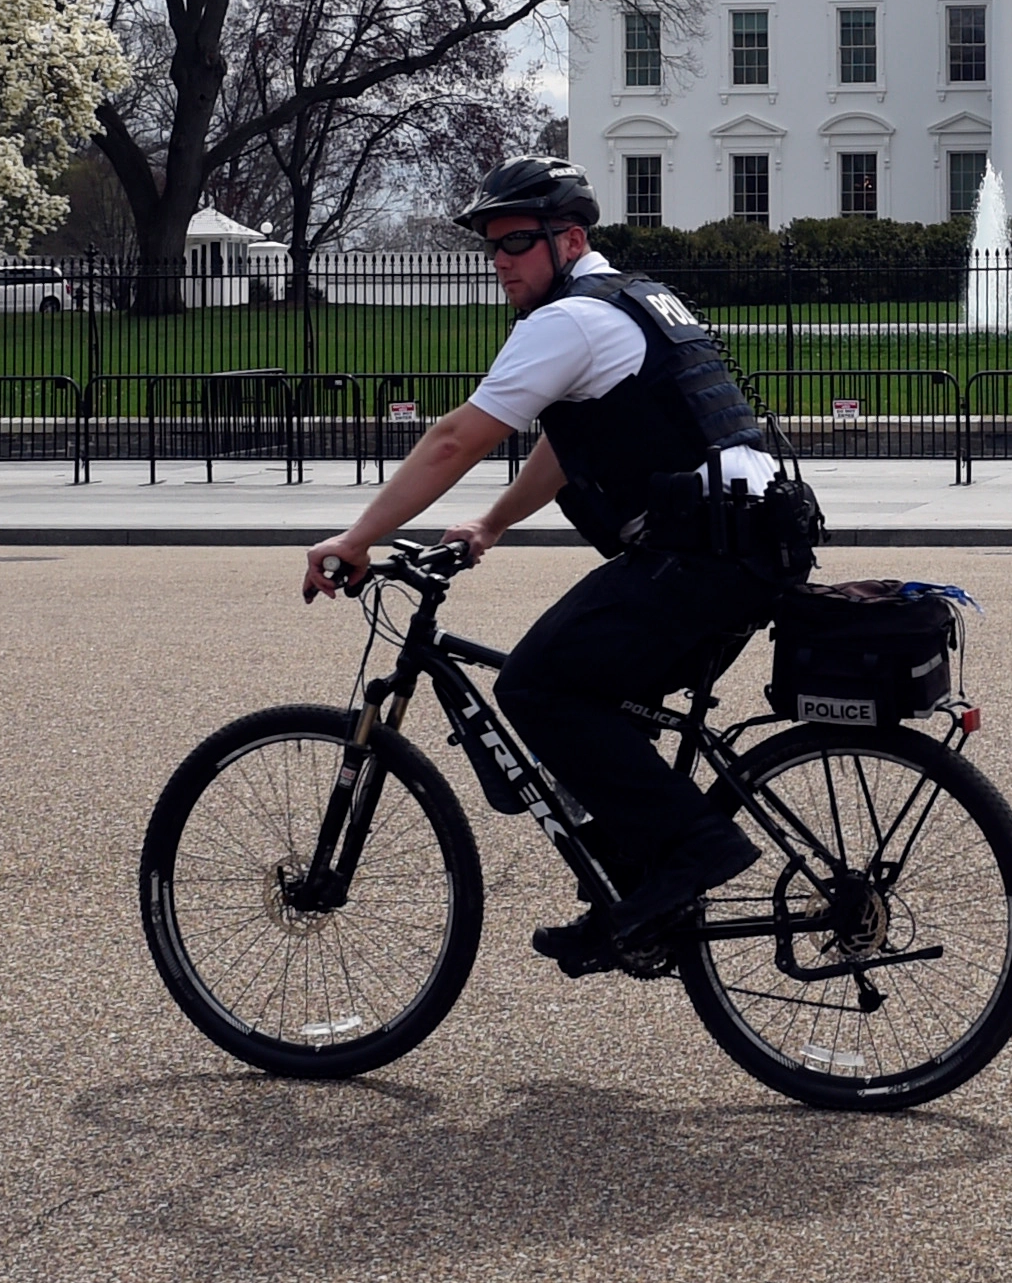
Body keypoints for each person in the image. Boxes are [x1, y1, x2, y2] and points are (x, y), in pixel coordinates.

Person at [302, 159, 815, 975]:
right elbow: (566, 443)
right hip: (751, 545)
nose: (500, 262)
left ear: (568, 239)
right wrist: (493, 523)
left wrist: (357, 536)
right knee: (600, 701)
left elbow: (453, 439)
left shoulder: (569, 321)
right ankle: (634, 892)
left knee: (538, 686)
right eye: (492, 248)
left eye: (514, 243)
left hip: (705, 557)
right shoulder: (631, 300)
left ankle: (690, 853)